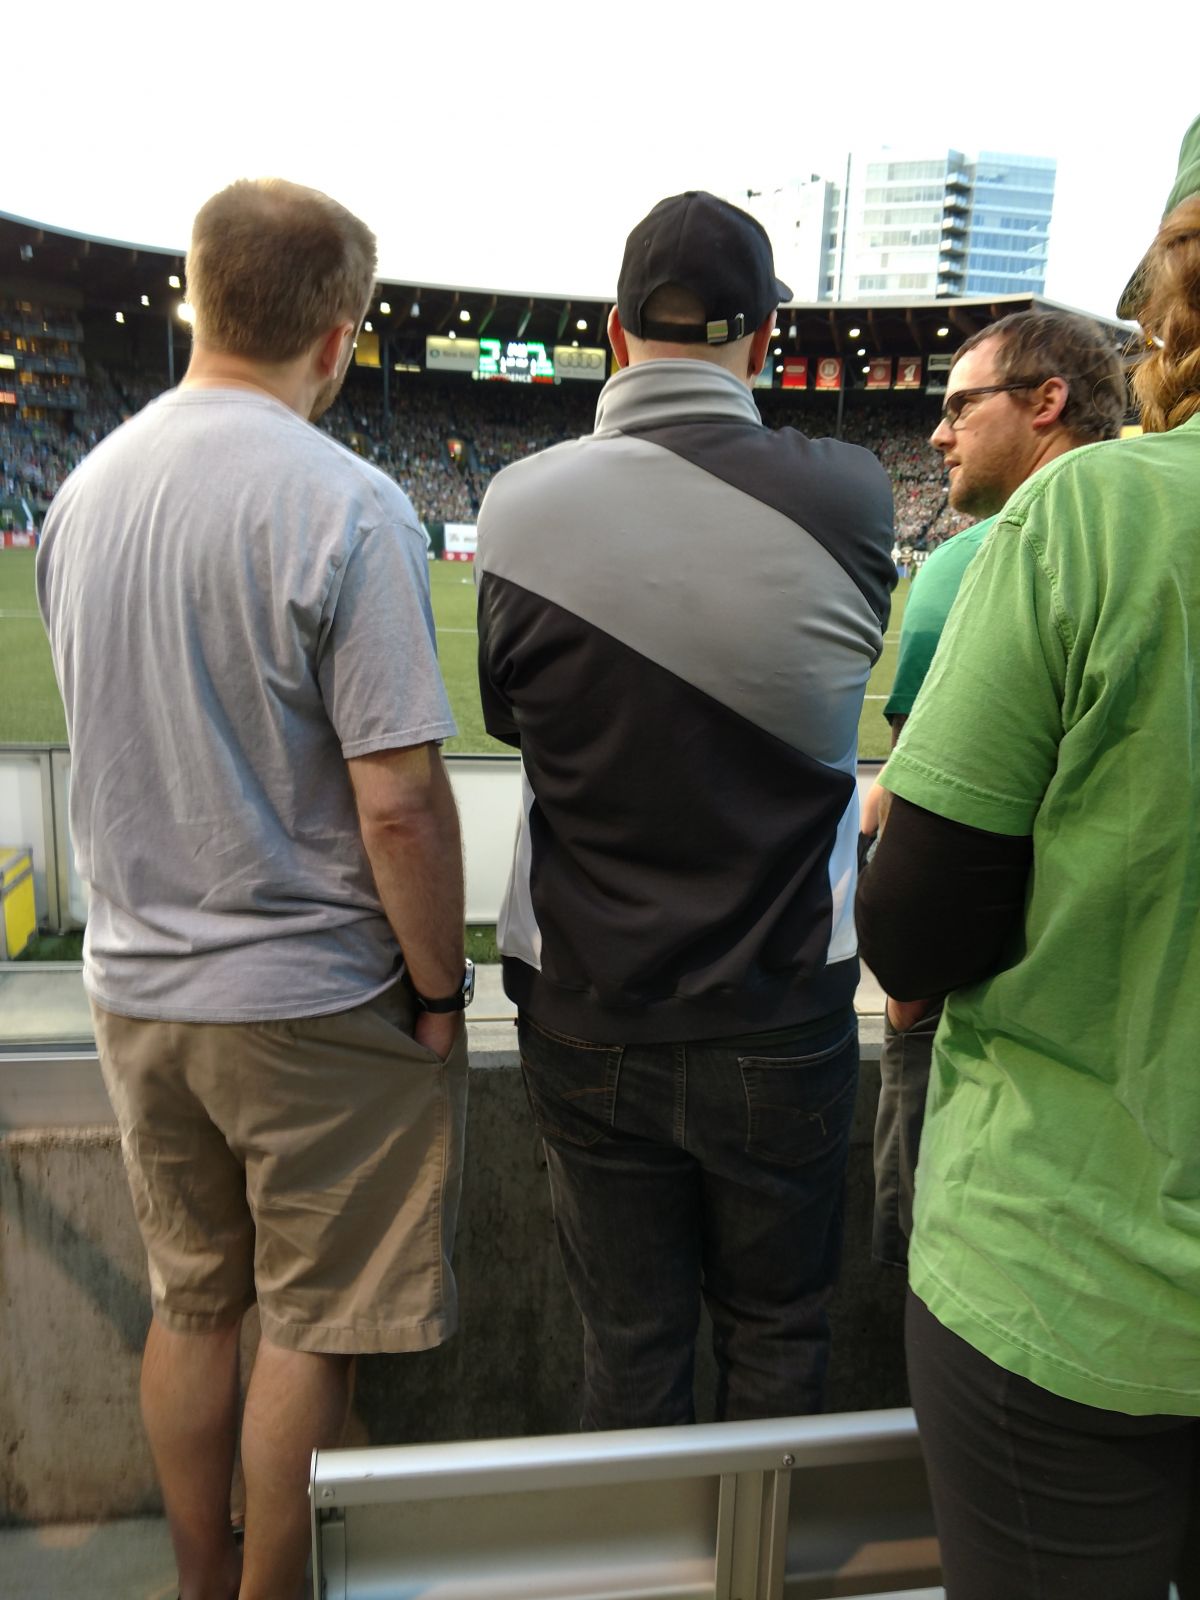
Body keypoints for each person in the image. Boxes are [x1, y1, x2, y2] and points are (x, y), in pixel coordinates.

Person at [36, 178, 472, 1600]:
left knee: (193, 1304)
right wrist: (440, 989)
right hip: (306, 998)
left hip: (139, 989)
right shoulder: (345, 501)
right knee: (309, 1325)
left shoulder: (86, 490)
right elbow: (400, 801)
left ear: (196, 297)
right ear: (339, 338)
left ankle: (194, 1579)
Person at [476, 191, 895, 1430]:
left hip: (588, 1005)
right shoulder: (856, 495)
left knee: (631, 1343)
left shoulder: (520, 501)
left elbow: (513, 722)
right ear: (766, 339)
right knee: (779, 1333)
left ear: (614, 333)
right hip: (784, 1008)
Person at [856, 115, 1200, 1598]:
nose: (936, 431)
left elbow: (916, 921)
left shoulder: (1092, 516)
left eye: (959, 403)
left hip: (1082, 1278)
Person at [863, 309, 1126, 1268]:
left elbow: (917, 828)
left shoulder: (978, 564)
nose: (937, 433)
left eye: (960, 406)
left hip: (996, 1053)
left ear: (1047, 402)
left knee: (924, 1272)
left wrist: (904, 1024)